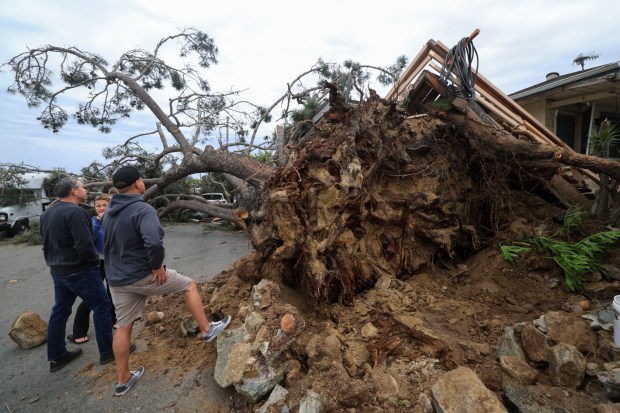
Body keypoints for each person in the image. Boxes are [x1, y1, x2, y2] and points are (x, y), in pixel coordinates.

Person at [103, 166, 232, 397]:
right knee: (189, 285)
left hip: (117, 278)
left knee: (123, 326)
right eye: (141, 180)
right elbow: (153, 242)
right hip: (143, 274)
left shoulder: (110, 210)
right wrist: (156, 266)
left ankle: (123, 380)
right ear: (138, 183)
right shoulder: (142, 209)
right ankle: (207, 329)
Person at [40, 177, 114, 372]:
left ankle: (57, 356)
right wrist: (92, 263)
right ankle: (109, 352)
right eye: (82, 187)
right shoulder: (76, 212)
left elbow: (45, 242)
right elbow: (85, 244)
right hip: (80, 270)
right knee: (102, 306)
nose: (85, 190)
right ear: (74, 191)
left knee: (60, 311)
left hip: (58, 272)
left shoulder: (47, 213)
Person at [67, 194, 116, 344]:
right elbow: (89, 240)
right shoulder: (92, 222)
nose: (101, 208)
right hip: (95, 263)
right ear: (95, 208)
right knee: (92, 297)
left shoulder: (115, 221)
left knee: (111, 292)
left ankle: (113, 320)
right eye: (98, 206)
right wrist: (99, 223)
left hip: (112, 262)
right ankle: (79, 332)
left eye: (104, 205)